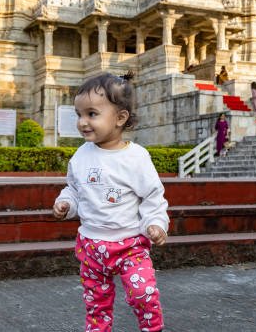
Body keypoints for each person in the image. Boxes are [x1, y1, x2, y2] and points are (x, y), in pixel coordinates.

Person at [53, 72, 169, 332]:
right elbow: (74, 188)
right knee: (96, 303)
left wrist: (157, 224)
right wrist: (66, 204)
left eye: (92, 114)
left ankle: (152, 329)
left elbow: (152, 198)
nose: (83, 122)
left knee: (143, 294)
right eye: (79, 114)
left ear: (120, 118)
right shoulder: (81, 155)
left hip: (130, 245)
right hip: (92, 245)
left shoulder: (136, 158)